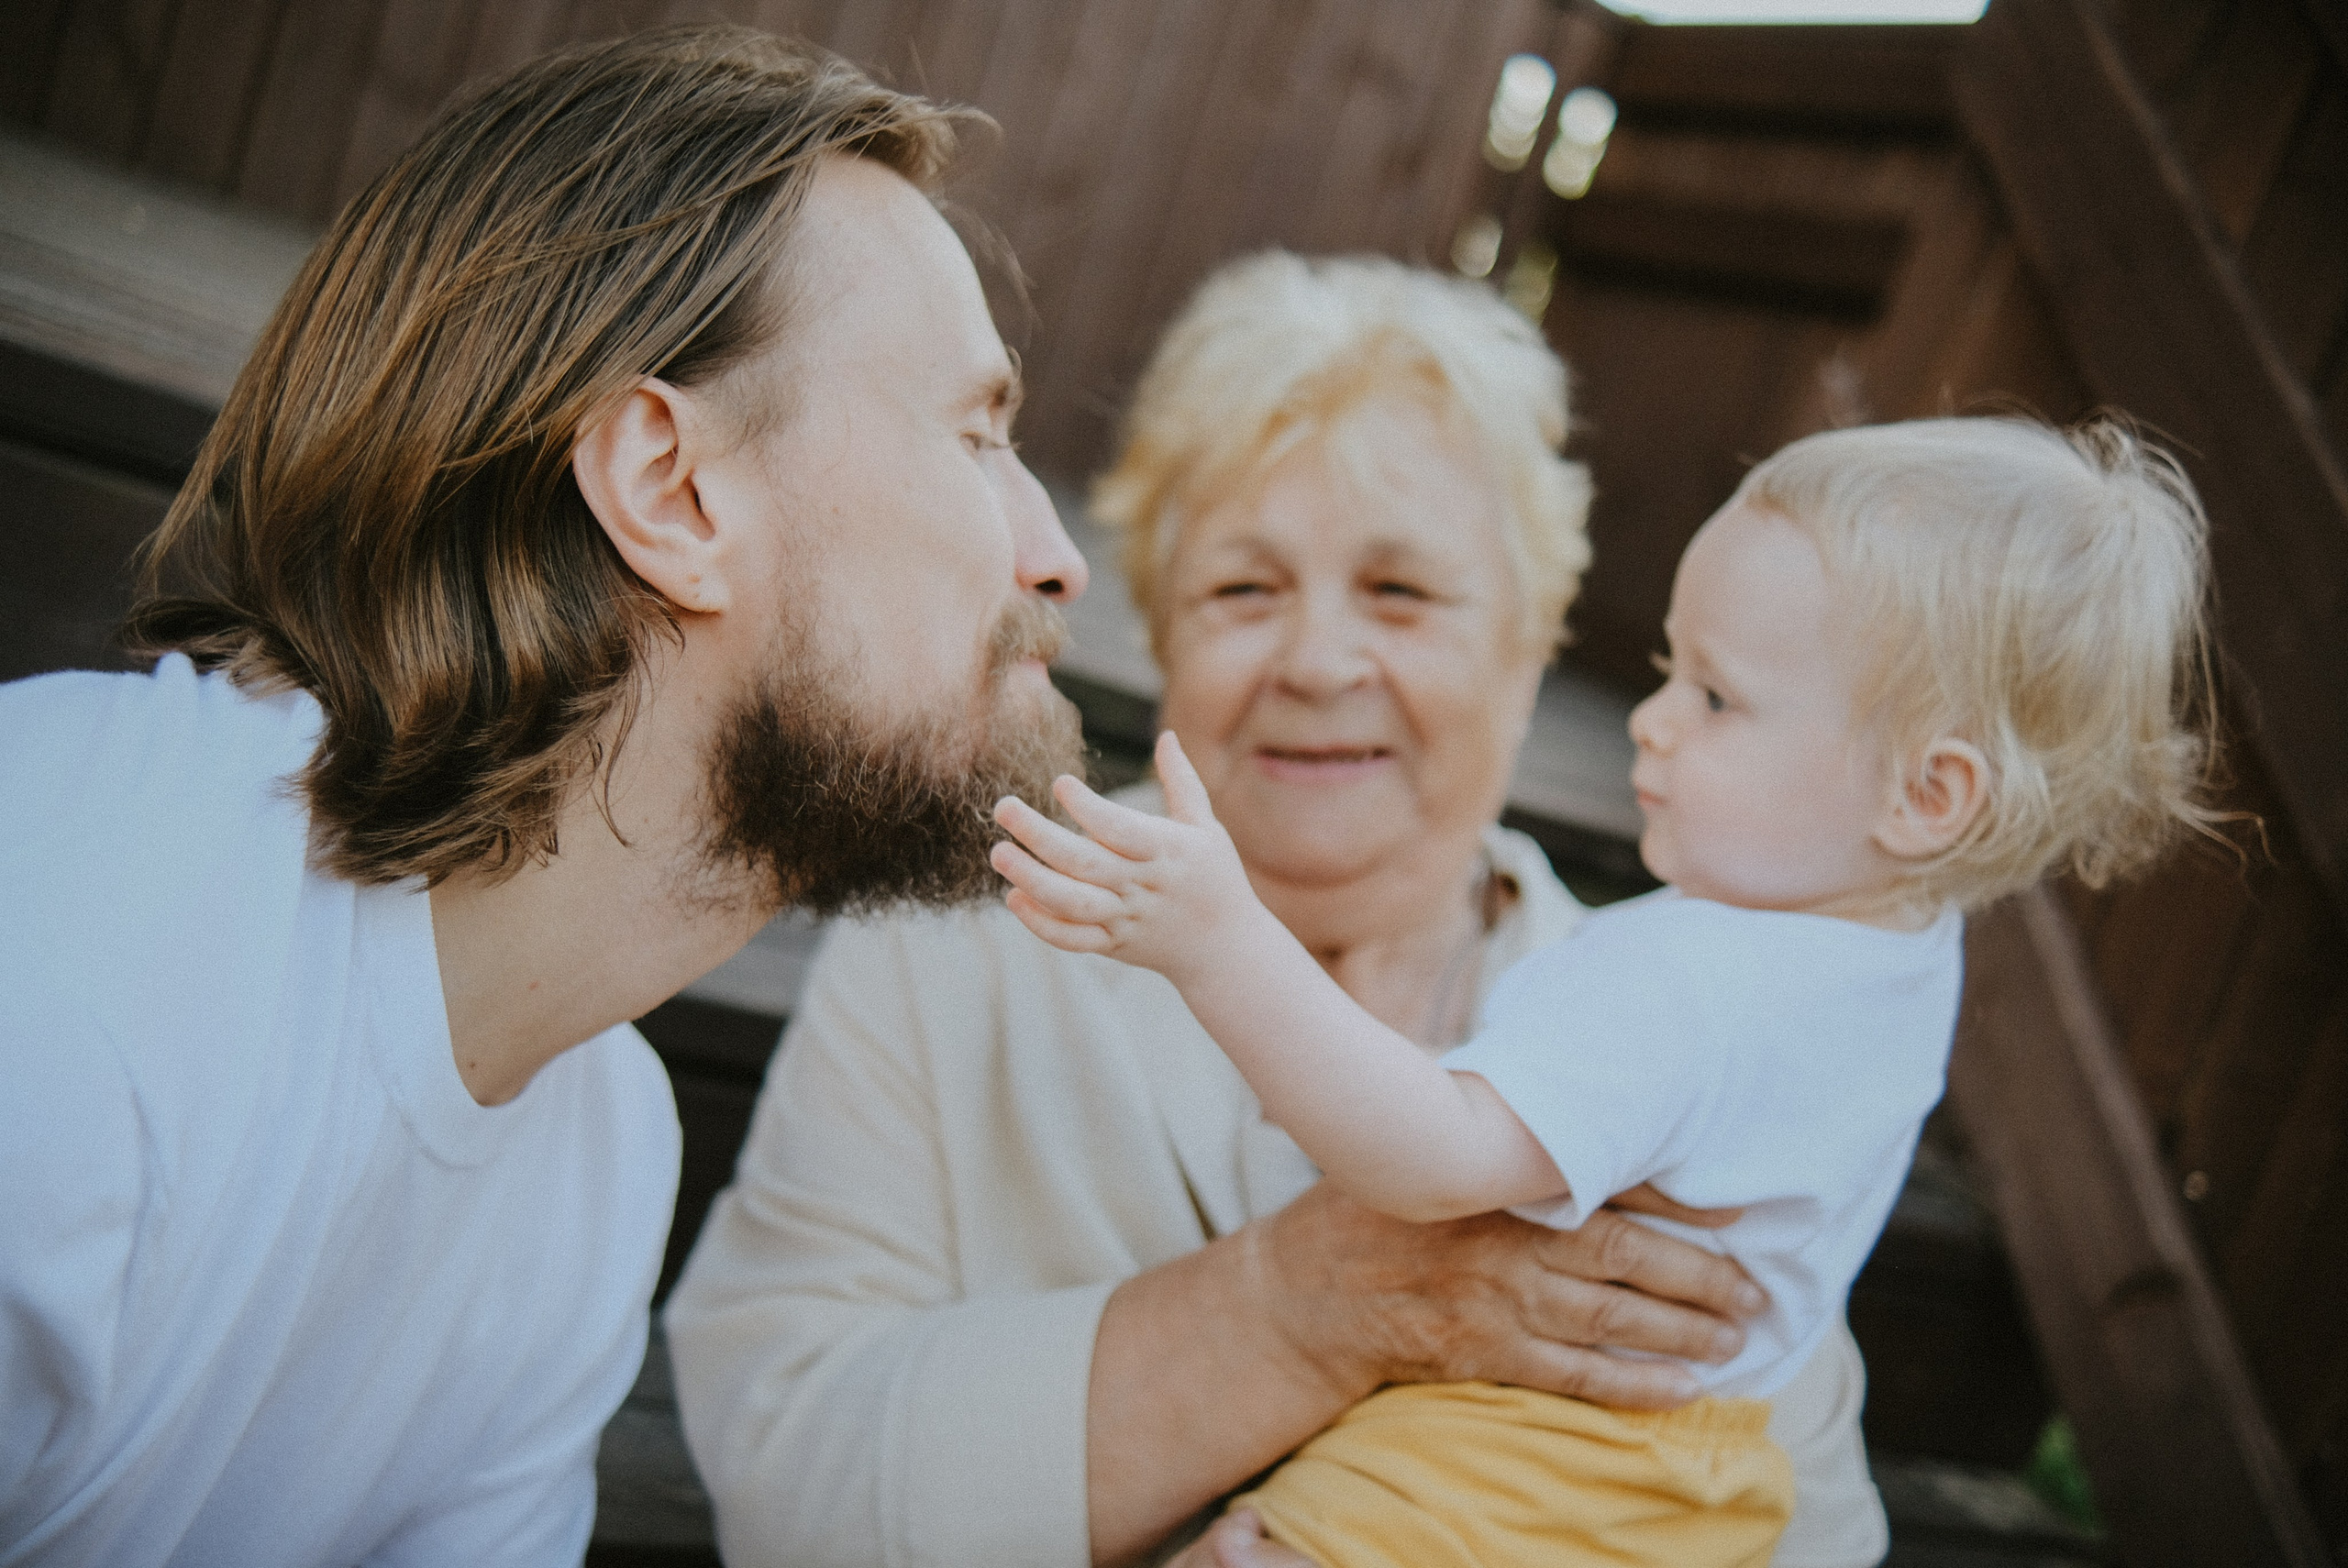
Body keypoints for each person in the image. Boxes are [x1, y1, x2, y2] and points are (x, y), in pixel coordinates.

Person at [0, 28, 1090, 1565]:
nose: (1057, 557)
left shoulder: (598, 1149)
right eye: (976, 436)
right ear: (671, 491)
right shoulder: (63, 959)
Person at [665, 252, 1891, 1568]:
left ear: (1528, 647)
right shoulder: (962, 942)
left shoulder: (1685, 1021)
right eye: (1243, 590)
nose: (1317, 662)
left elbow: (1803, 1524)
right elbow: (784, 1473)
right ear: (1167, 639)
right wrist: (1300, 1308)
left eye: (1401, 593)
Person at [992, 414, 2221, 1568]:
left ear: (1926, 797)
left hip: (1517, 1471)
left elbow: (1430, 1159)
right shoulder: (1901, 965)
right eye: (1669, 668)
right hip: (1707, 1488)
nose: (1652, 721)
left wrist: (1218, 944)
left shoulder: (1692, 976)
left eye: (1716, 697)